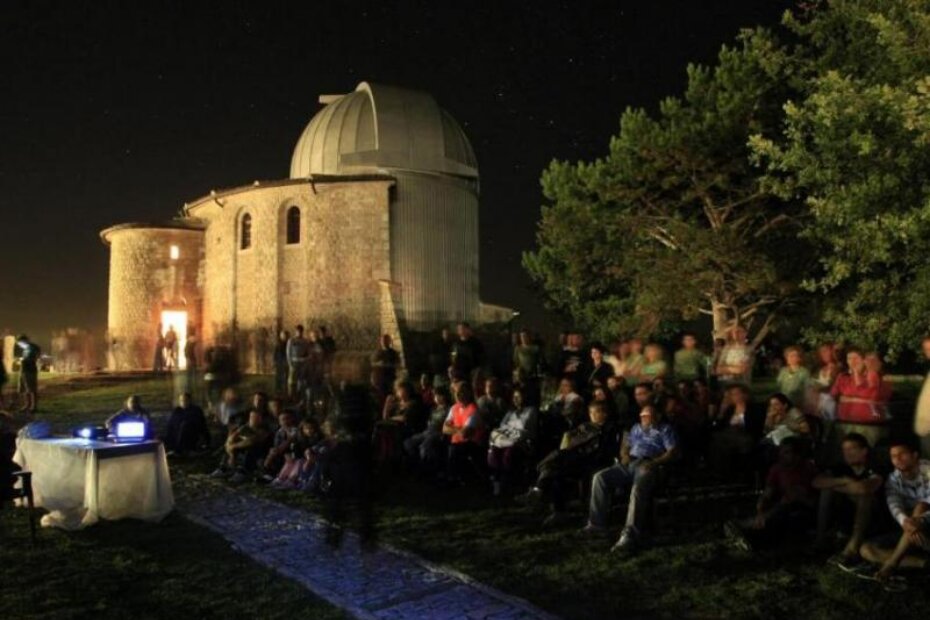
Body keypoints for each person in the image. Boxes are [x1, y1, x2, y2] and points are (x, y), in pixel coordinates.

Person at [584, 404, 678, 554]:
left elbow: (672, 451)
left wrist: (654, 463)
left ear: (658, 416)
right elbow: (626, 446)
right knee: (599, 477)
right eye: (642, 416)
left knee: (637, 488)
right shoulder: (636, 428)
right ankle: (596, 525)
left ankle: (630, 533)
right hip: (631, 462)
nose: (645, 418)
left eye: (648, 415)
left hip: (649, 463)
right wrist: (624, 455)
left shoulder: (665, 429)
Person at [517, 401, 619, 526]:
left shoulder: (610, 428)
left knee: (555, 464)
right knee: (555, 470)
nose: (592, 415)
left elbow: (603, 449)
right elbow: (572, 440)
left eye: (596, 412)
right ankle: (550, 504)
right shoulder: (586, 426)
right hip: (576, 457)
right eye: (590, 412)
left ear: (604, 413)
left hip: (593, 460)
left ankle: (539, 493)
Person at [725, 437, 818, 550]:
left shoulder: (808, 469)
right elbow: (768, 492)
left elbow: (813, 500)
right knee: (765, 509)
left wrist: (799, 497)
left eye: (787, 452)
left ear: (796, 455)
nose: (782, 455)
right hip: (780, 504)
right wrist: (761, 508)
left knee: (785, 512)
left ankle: (748, 530)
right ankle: (750, 526)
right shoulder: (777, 469)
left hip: (800, 508)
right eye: (782, 451)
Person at [859, 440, 930, 584]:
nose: (897, 459)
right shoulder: (892, 479)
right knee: (866, 549)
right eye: (893, 456)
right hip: (910, 532)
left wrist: (920, 520)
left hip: (927, 524)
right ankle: (923, 563)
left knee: (921, 506)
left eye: (902, 454)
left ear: (915, 455)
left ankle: (892, 563)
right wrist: (906, 522)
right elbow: (894, 505)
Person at [813, 433, 883, 568]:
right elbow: (816, 482)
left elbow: (863, 488)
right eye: (844, 450)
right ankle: (821, 539)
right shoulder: (841, 468)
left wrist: (836, 487)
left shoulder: (875, 468)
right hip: (846, 513)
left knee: (864, 496)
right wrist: (843, 480)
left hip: (873, 519)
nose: (847, 453)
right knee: (826, 490)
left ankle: (853, 546)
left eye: (852, 449)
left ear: (864, 451)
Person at [830, 347, 887, 451]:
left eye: (856, 358)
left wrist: (856, 375)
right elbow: (834, 395)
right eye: (849, 358)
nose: (852, 361)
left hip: (869, 424)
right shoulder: (843, 377)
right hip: (845, 422)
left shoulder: (873, 375)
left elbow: (871, 395)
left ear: (863, 360)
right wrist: (859, 398)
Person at [487, 387, 538, 495]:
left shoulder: (531, 411)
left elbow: (524, 428)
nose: (515, 399)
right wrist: (512, 429)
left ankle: (507, 482)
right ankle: (497, 482)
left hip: (522, 442)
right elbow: (502, 426)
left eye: (518, 396)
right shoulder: (510, 413)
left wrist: (510, 429)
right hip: (506, 440)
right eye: (514, 397)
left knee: (508, 453)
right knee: (494, 451)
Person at [708, 383, 765, 479]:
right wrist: (721, 413)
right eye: (732, 394)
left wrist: (741, 425)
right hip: (729, 436)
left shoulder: (755, 408)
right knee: (717, 441)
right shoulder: (730, 410)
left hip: (746, 435)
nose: (734, 397)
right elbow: (717, 426)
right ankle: (721, 474)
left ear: (744, 395)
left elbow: (757, 426)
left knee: (726, 442)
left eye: (736, 393)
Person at [212, 409, 272, 483]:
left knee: (251, 447)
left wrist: (233, 446)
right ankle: (224, 468)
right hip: (242, 449)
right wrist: (231, 454)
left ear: (261, 419)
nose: (253, 419)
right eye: (252, 417)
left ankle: (243, 472)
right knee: (233, 443)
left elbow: (251, 441)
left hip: (261, 451)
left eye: (256, 417)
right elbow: (230, 439)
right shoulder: (245, 427)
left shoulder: (264, 429)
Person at [374, 380, 425, 465]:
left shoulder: (413, 403)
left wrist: (391, 418)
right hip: (395, 429)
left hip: (409, 429)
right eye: (398, 390)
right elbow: (385, 418)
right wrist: (387, 404)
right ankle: (381, 456)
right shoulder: (397, 404)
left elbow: (405, 418)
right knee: (379, 428)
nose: (400, 392)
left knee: (390, 433)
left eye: (402, 389)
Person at [404, 385, 452, 473]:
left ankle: (426, 471)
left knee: (425, 447)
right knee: (408, 443)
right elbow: (429, 421)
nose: (436, 398)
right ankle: (415, 467)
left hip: (438, 433)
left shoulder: (449, 409)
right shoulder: (434, 409)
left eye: (438, 395)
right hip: (428, 431)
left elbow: (447, 424)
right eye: (435, 396)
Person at [443, 382, 484, 483]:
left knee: (454, 449)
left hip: (472, 443)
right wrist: (459, 429)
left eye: (460, 392)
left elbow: (465, 434)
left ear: (468, 393)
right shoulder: (454, 408)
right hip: (457, 441)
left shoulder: (473, 410)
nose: (457, 395)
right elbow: (444, 428)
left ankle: (452, 478)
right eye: (455, 392)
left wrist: (453, 428)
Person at [261, 409, 300, 481]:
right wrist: (274, 450)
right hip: (282, 452)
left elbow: (290, 441)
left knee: (275, 454)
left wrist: (278, 450)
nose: (285, 421)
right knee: (272, 453)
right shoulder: (279, 431)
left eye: (287, 418)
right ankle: (268, 474)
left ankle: (271, 474)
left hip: (294, 452)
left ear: (292, 419)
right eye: (282, 419)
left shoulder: (296, 430)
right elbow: (276, 444)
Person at [776, 346, 812, 411]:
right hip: (784, 403)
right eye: (789, 356)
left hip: (798, 404)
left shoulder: (804, 372)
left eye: (794, 356)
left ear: (799, 358)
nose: (792, 358)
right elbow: (779, 386)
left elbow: (807, 388)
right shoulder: (783, 371)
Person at [512, 329, 543, 404]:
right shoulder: (518, 349)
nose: (524, 338)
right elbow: (515, 362)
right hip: (522, 376)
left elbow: (540, 361)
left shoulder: (535, 348)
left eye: (525, 336)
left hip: (533, 376)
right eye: (522, 336)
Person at [370, 334, 401, 406]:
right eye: (382, 340)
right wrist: (379, 364)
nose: (384, 342)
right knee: (380, 398)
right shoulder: (377, 353)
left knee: (390, 397)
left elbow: (398, 364)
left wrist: (387, 365)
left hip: (390, 379)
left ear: (389, 341)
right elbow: (372, 364)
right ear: (380, 341)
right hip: (380, 380)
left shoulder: (393, 353)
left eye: (386, 340)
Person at [15, 334, 40, 413]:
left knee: (31, 389)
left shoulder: (32, 348)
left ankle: (33, 406)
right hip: (24, 370)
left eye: (20, 343)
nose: (19, 345)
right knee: (24, 389)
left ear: (24, 341)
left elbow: (31, 358)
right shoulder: (26, 349)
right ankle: (27, 405)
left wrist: (21, 360)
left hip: (30, 370)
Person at [286, 325, 310, 400]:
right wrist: (290, 364)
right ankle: (291, 396)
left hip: (302, 363)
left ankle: (300, 396)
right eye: (298, 331)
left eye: (300, 331)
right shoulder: (291, 340)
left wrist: (305, 362)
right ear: (295, 331)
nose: (299, 333)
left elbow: (308, 352)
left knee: (301, 380)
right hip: (294, 362)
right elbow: (288, 353)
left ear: (302, 332)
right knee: (292, 381)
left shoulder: (305, 341)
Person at [273, 330, 289, 397]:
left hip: (285, 363)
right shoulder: (278, 344)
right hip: (279, 363)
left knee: (285, 378)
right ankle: (278, 391)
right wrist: (275, 362)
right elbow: (275, 354)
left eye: (285, 336)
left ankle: (285, 392)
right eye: (283, 336)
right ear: (281, 336)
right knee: (278, 378)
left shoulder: (288, 344)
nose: (284, 337)